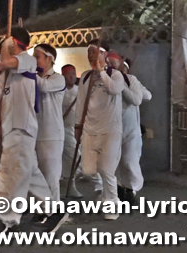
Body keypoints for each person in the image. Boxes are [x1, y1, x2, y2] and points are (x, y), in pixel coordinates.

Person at [0, 28, 67, 232]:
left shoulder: (28, 61)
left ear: (14, 43)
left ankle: (9, 221)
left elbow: (14, 62)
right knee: (30, 173)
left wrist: (4, 60)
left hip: (22, 128)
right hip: (11, 129)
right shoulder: (7, 75)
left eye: (7, 44)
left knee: (10, 175)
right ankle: (54, 209)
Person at [75, 43, 124, 220]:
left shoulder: (115, 75)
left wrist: (101, 71)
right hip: (89, 129)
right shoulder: (86, 77)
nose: (90, 55)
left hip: (111, 129)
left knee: (106, 169)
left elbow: (114, 89)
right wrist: (77, 126)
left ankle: (111, 203)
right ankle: (105, 195)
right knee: (88, 170)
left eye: (94, 52)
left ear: (104, 55)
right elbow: (81, 102)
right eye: (89, 53)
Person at [32, 44, 67, 205]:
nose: (34, 60)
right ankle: (40, 209)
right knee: (37, 176)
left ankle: (53, 209)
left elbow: (44, 87)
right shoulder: (34, 79)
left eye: (37, 57)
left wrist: (29, 71)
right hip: (35, 133)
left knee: (51, 176)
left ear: (49, 59)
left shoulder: (58, 78)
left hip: (52, 135)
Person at [116, 58, 152, 203]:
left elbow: (147, 96)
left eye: (124, 67)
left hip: (131, 130)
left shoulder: (132, 82)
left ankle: (132, 189)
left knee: (129, 160)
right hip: (114, 127)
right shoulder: (111, 81)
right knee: (116, 162)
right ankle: (120, 189)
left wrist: (128, 88)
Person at [60, 65, 82, 199]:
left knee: (76, 157)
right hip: (59, 128)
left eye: (74, 74)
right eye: (69, 74)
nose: (72, 76)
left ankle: (70, 184)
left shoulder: (80, 91)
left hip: (74, 129)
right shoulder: (59, 90)